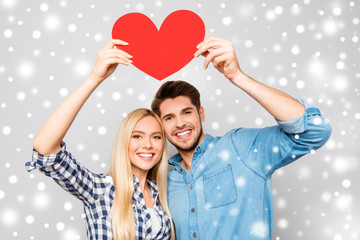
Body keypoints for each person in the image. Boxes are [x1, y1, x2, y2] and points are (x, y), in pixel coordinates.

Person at [151, 36, 332, 239]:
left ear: (201, 113)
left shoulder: (240, 149)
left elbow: (315, 131)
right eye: (169, 117)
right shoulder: (162, 183)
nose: (180, 123)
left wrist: (238, 76)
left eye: (187, 112)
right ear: (161, 125)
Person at [25, 40, 175, 240]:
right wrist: (95, 78)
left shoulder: (162, 196)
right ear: (124, 142)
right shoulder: (101, 189)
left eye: (156, 137)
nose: (147, 144)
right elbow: (45, 147)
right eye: (137, 136)